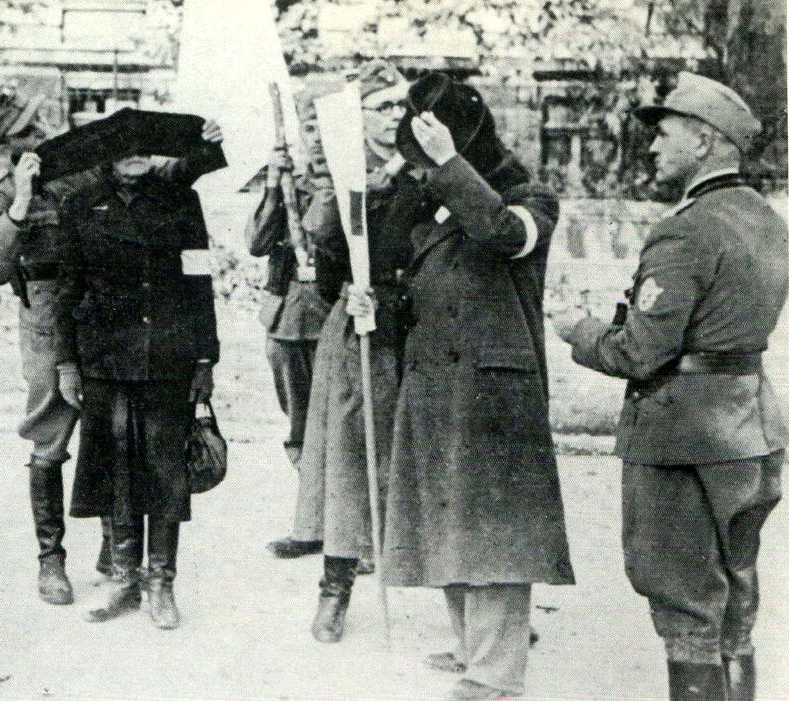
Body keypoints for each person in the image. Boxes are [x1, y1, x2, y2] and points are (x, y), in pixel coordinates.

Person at [551, 72, 787, 701]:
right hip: (750, 429)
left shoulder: (685, 229)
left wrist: (578, 328)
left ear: (705, 143)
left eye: (665, 135)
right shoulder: (766, 220)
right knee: (736, 597)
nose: (653, 148)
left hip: (683, 437)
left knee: (685, 604)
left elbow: (641, 351)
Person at [379, 74, 574, 699]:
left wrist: (449, 165)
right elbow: (408, 278)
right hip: (435, 381)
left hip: (495, 386)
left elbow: (502, 235)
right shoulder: (432, 198)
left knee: (495, 525)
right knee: (447, 513)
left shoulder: (530, 196)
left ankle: (496, 672)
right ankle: (470, 645)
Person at [53, 112, 226, 630]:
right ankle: (124, 580)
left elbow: (200, 283)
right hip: (104, 360)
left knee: (165, 474)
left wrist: (204, 359)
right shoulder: (80, 204)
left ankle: (161, 583)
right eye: (124, 146)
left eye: (146, 145)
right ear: (105, 153)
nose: (137, 153)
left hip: (167, 357)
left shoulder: (180, 200)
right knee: (114, 470)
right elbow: (68, 290)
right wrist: (66, 362)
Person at [302, 59, 425, 642]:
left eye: (402, 106)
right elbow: (325, 260)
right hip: (361, 333)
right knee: (353, 459)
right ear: (358, 118)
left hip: (421, 327)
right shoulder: (341, 177)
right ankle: (335, 591)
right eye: (384, 107)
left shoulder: (426, 170)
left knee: (433, 456)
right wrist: (352, 289)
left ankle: (479, 602)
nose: (396, 117)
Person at [0, 87, 112, 606]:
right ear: (7, 144)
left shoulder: (79, 172)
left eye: (41, 126)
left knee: (110, 425)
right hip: (46, 322)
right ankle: (51, 560)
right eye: (28, 132)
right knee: (51, 438)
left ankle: (112, 547)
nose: (41, 137)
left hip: (96, 311)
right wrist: (22, 201)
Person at [247, 81, 338, 559]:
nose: (317, 136)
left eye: (324, 125)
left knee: (345, 428)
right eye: (309, 126)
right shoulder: (284, 178)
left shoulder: (350, 179)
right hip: (286, 320)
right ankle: (312, 525)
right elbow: (257, 243)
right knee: (300, 427)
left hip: (334, 318)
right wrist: (272, 187)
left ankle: (355, 534)